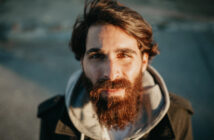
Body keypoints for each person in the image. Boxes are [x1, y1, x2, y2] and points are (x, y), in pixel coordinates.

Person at [37, 0, 194, 139]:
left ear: (144, 61)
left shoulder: (176, 117)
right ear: (82, 62)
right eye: (97, 56)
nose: (111, 74)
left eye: (124, 55)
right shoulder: (53, 118)